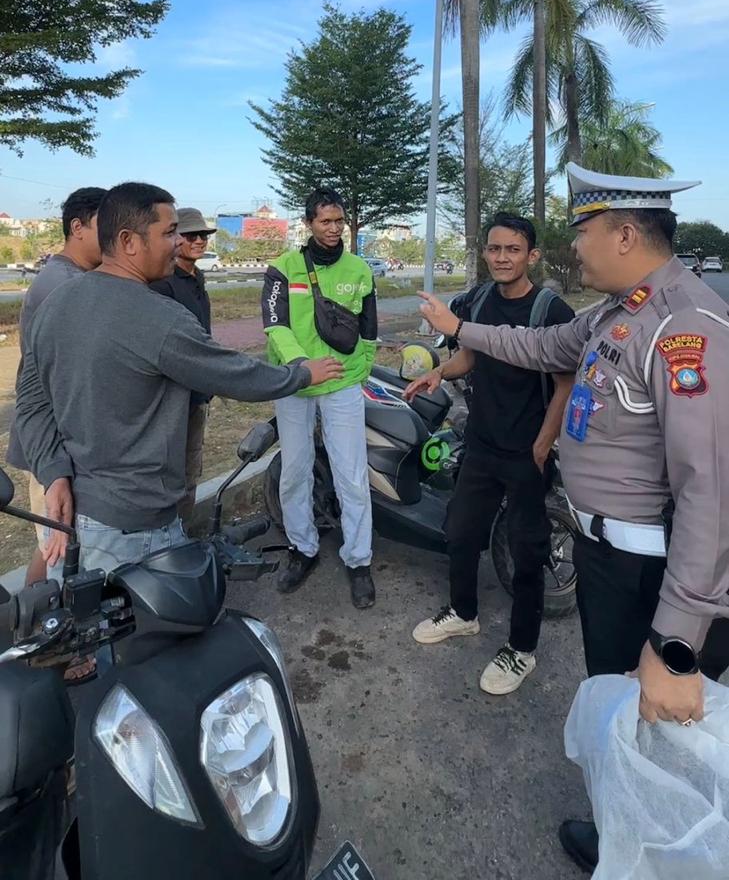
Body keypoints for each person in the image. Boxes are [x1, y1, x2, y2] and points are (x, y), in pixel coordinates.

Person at [418, 164, 729, 874]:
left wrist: (676, 644)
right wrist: (459, 329)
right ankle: (621, 833)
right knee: (621, 711)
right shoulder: (617, 311)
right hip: (605, 557)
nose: (575, 247)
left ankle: (657, 851)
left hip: (649, 568)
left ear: (624, 235)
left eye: (582, 232)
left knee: (660, 727)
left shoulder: (684, 326)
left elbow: (710, 491)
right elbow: (537, 348)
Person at [16, 182, 342, 576]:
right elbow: (232, 373)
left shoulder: (55, 303)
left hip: (72, 514)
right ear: (128, 241)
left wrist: (53, 473)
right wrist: (301, 374)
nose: (179, 242)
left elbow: (31, 404)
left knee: (79, 610)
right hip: (135, 526)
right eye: (169, 232)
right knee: (158, 613)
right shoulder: (158, 317)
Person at [405, 213, 575, 695]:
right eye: (495, 249)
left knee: (526, 552)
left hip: (526, 453)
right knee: (460, 532)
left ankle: (521, 649)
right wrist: (440, 372)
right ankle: (463, 613)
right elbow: (472, 354)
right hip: (480, 442)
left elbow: (565, 383)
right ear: (485, 253)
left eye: (513, 250)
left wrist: (543, 443)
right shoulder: (479, 300)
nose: (502, 258)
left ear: (531, 256)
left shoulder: (550, 310)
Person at [261, 187, 377, 609]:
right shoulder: (283, 268)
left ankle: (358, 560)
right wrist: (302, 365)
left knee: (352, 475)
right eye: (324, 221)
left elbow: (369, 327)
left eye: (338, 220)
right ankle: (303, 548)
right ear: (308, 223)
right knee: (295, 471)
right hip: (295, 383)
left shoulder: (360, 269)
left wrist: (361, 368)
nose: (333, 228)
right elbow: (275, 325)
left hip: (342, 384)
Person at [5, 187, 106, 586]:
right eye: (105, 225)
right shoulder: (63, 285)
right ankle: (32, 619)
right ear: (77, 228)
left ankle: (31, 614)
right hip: (53, 438)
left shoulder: (74, 278)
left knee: (57, 541)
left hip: (59, 437)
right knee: (57, 548)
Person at [150, 206, 216, 523]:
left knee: (192, 467)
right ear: (175, 238)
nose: (199, 241)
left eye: (203, 235)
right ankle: (169, 538)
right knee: (170, 472)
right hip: (172, 398)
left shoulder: (196, 278)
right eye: (191, 235)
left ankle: (184, 534)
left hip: (198, 392)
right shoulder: (163, 284)